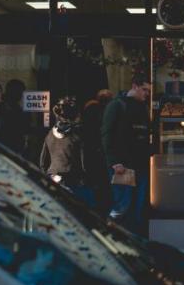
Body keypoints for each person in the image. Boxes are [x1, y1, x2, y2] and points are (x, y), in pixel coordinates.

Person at [102, 74, 152, 233]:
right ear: (135, 86)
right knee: (122, 205)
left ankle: (128, 237)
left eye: (148, 91)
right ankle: (112, 235)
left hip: (139, 164)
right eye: (144, 90)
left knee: (134, 206)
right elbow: (107, 134)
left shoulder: (140, 107)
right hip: (123, 165)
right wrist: (115, 162)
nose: (147, 94)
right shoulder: (117, 105)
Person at [39, 97, 93, 206]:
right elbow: (85, 165)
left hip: (52, 180)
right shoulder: (78, 136)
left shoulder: (49, 134)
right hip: (73, 182)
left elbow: (42, 163)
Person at [81, 89, 115, 216]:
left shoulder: (90, 109)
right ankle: (103, 207)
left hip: (91, 150)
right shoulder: (103, 111)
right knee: (103, 181)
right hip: (99, 151)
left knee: (96, 181)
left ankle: (98, 206)